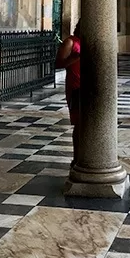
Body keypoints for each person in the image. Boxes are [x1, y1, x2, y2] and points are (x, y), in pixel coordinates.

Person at [55, 20, 80, 164]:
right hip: (76, 86)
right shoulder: (70, 42)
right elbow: (58, 63)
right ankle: (77, 159)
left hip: (90, 86)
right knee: (79, 123)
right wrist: (74, 58)